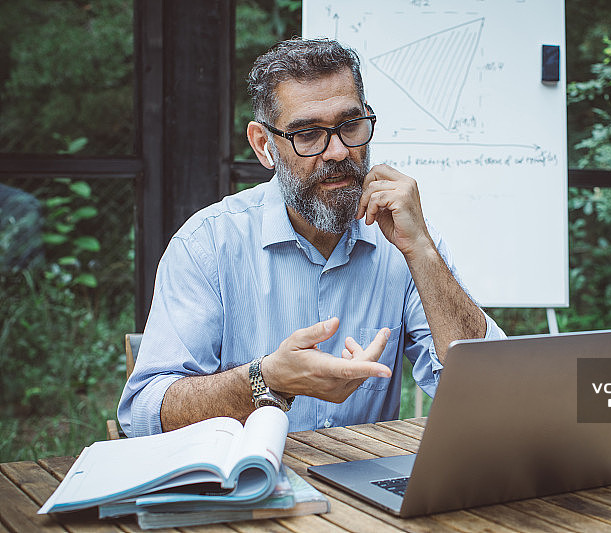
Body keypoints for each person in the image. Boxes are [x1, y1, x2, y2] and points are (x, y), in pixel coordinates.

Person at [118, 38, 505, 437]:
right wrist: (267, 379)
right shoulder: (209, 245)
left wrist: (422, 251)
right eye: (307, 134)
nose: (337, 151)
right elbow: (144, 414)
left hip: (363, 473)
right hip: (245, 474)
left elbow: (489, 393)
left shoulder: (403, 239)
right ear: (264, 146)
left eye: (350, 126)